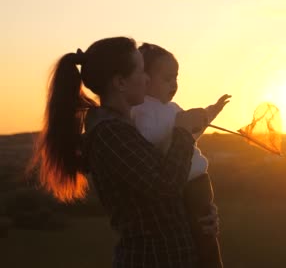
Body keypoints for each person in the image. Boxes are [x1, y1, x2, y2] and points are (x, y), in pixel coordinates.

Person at [29, 36, 220, 267]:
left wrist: (200, 216)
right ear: (120, 83)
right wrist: (181, 131)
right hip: (151, 259)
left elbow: (167, 194)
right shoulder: (111, 136)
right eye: (141, 71)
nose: (147, 78)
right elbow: (165, 185)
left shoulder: (131, 129)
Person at [132, 42, 229, 267]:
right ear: (145, 78)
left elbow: (190, 136)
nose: (174, 84)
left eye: (176, 77)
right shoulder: (143, 109)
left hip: (198, 180)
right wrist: (180, 126)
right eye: (167, 78)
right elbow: (150, 139)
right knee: (203, 234)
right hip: (185, 183)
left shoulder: (172, 107)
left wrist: (211, 112)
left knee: (207, 233)